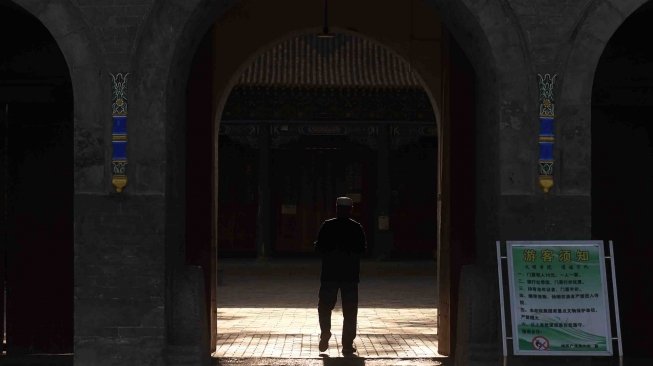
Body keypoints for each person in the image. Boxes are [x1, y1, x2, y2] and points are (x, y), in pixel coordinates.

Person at [314, 196, 367, 355]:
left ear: (336, 209)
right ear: (350, 210)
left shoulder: (327, 226)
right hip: (350, 275)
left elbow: (319, 249)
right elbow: (363, 250)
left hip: (329, 273)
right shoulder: (356, 227)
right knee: (350, 310)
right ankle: (347, 344)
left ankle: (325, 331)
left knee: (324, 305)